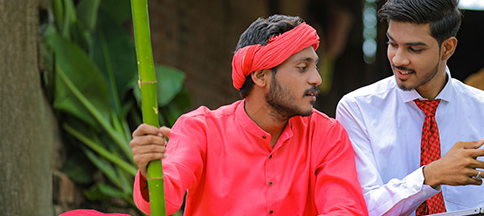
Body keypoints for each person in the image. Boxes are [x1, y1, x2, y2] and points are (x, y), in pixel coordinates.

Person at [129, 15, 368, 215]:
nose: (317, 78)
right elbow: (163, 202)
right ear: (260, 76)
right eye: (302, 68)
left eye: (315, 66)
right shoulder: (199, 129)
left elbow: (343, 208)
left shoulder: (327, 134)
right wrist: (149, 169)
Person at [335, 0, 484, 216]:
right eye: (392, 43)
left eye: (414, 49)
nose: (398, 59)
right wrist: (430, 176)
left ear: (447, 48)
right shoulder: (357, 108)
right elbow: (361, 207)